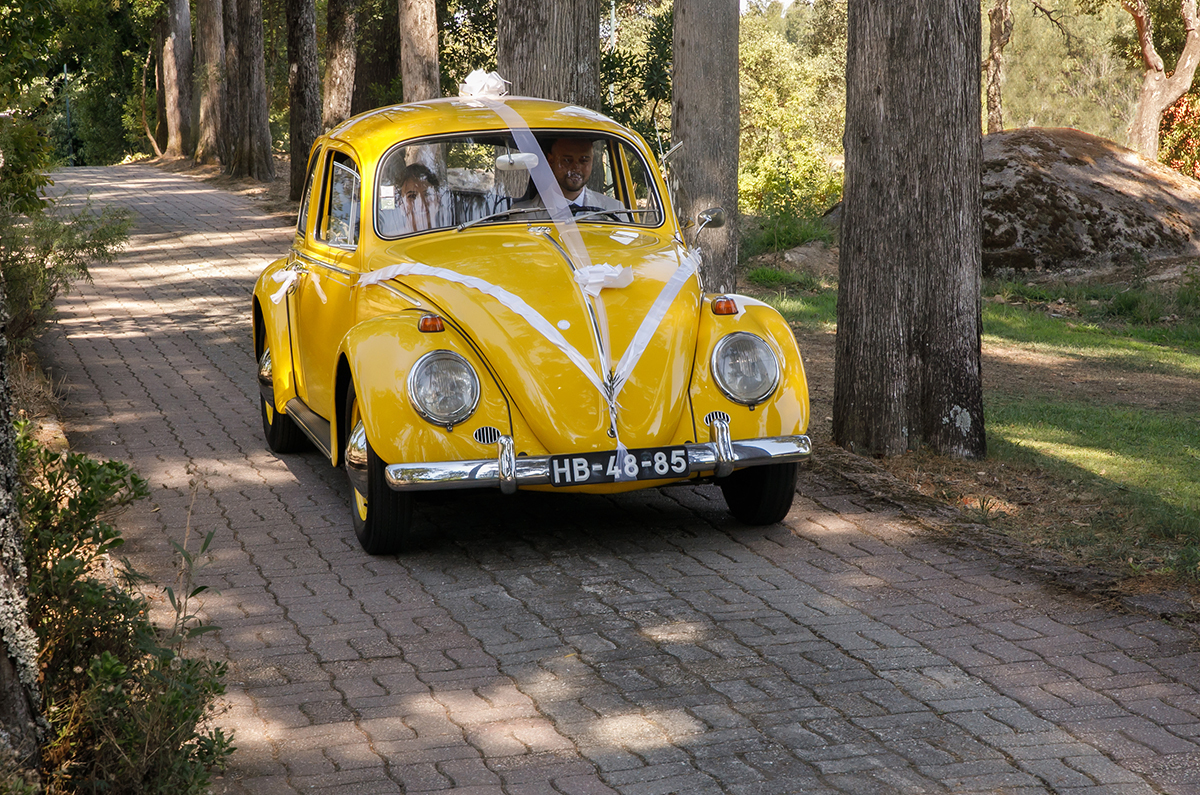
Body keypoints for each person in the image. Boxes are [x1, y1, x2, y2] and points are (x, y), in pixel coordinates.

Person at [513, 138, 625, 216]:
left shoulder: (615, 210)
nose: (576, 167)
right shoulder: (523, 214)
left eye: (584, 160)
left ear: (592, 161)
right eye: (567, 160)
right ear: (551, 161)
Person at [378, 162, 449, 235]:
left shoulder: (450, 236)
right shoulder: (391, 241)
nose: (421, 203)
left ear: (438, 199)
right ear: (400, 204)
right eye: (412, 196)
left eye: (427, 194)